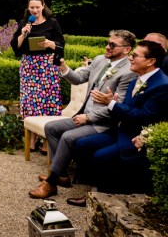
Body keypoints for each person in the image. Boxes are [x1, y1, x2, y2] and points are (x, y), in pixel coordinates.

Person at [28, 30, 137, 199]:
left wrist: (88, 118)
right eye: (107, 42)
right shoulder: (101, 60)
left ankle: (51, 182)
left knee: (67, 137)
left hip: (103, 123)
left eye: (112, 45)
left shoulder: (129, 72)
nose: (107, 47)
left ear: (126, 49)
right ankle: (62, 174)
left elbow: (118, 106)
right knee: (51, 128)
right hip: (84, 115)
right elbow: (78, 78)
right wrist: (63, 67)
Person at [69, 40, 168, 206]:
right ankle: (93, 189)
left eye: (135, 55)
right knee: (82, 144)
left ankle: (101, 197)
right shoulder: (137, 79)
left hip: (137, 137)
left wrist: (112, 104)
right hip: (121, 131)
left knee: (101, 156)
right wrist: (115, 103)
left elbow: (143, 116)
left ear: (151, 61)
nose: (130, 58)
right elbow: (129, 108)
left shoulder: (162, 85)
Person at [10, 0, 65, 153]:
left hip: (47, 67)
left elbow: (61, 44)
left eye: (37, 7)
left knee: (48, 102)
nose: (34, 10)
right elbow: (16, 46)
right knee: (30, 102)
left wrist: (51, 44)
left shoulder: (53, 23)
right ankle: (32, 138)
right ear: (28, 8)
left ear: (43, 6)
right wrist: (23, 33)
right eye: (32, 7)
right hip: (29, 67)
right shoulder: (24, 23)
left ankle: (47, 141)